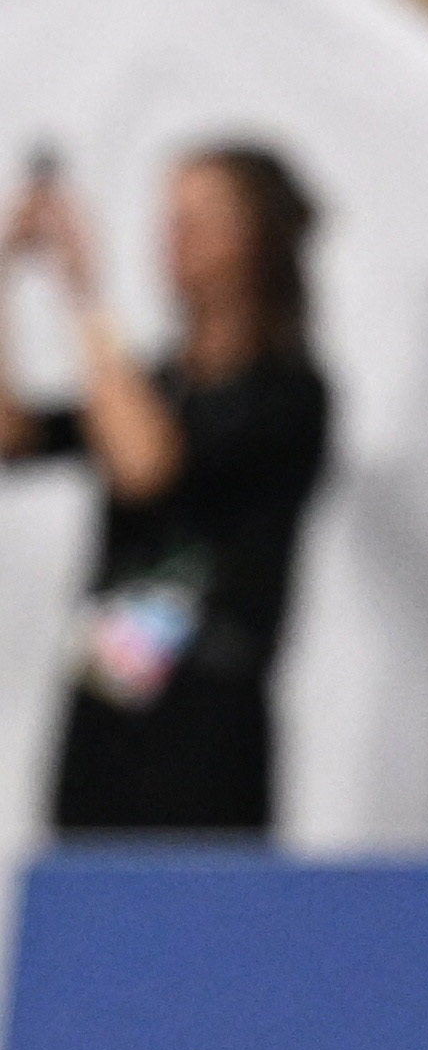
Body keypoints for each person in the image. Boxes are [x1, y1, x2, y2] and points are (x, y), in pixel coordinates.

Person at [0, 147, 335, 834]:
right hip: (112, 688)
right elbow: (14, 433)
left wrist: (82, 294)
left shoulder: (289, 395)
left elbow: (145, 467)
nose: (173, 241)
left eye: (198, 221)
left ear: (257, 242)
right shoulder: (152, 386)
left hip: (207, 716)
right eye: (170, 220)